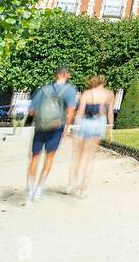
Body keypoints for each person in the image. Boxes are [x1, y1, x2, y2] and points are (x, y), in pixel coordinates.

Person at [25, 66, 78, 204]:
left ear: (55, 75)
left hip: (41, 126)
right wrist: (66, 128)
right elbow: (71, 110)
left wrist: (43, 115)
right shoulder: (70, 90)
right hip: (56, 127)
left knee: (35, 157)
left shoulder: (43, 89)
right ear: (66, 75)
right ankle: (38, 190)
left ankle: (29, 190)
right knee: (49, 158)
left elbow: (31, 111)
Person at [68, 75, 114, 197]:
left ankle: (73, 183)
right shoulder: (109, 94)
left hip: (86, 122)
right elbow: (110, 113)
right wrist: (110, 131)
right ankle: (83, 188)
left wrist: (75, 127)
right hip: (99, 123)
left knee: (78, 155)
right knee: (89, 157)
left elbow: (80, 112)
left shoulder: (87, 93)